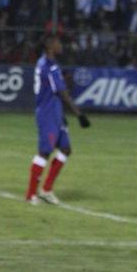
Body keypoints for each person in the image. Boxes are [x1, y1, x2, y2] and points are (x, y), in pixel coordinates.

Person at [25, 34, 90, 205]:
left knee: (66, 149)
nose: (61, 45)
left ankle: (46, 190)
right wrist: (79, 114)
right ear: (49, 46)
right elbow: (62, 93)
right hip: (48, 114)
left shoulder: (48, 63)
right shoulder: (48, 66)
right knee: (44, 152)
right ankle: (31, 194)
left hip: (56, 112)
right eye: (57, 43)